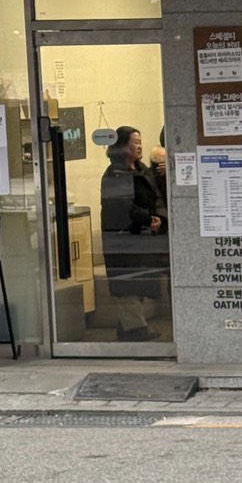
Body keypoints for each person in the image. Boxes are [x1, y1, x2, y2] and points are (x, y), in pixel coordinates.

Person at [99, 125, 168, 342]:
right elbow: (120, 207)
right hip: (123, 239)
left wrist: (160, 220)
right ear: (122, 146)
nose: (139, 146)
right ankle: (135, 330)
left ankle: (127, 327)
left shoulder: (142, 169)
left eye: (140, 142)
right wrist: (148, 220)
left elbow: (157, 197)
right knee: (128, 286)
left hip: (144, 238)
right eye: (134, 142)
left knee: (139, 284)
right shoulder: (114, 174)